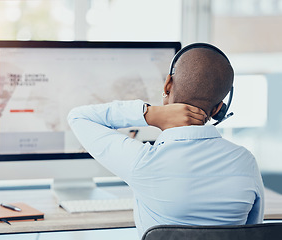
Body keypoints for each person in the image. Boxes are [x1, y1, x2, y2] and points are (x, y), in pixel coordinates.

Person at [67, 43, 264, 238]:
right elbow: (253, 232)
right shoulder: (246, 163)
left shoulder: (142, 162)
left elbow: (78, 117)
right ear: (218, 109)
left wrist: (150, 113)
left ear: (167, 85)